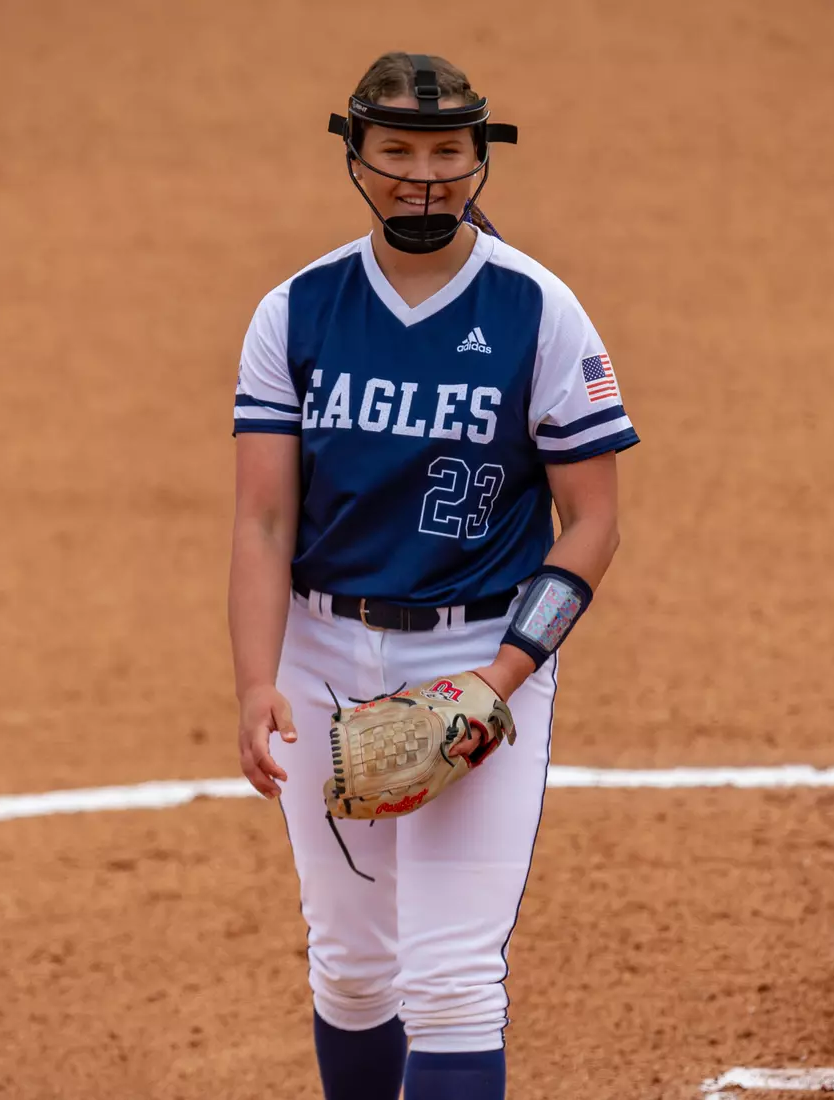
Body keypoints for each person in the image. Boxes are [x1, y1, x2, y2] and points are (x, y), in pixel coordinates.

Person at [228, 50, 637, 1100]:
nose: (423, 177)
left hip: (485, 650)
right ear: (355, 154)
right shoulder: (297, 311)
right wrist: (255, 678)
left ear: (480, 155)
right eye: (398, 152)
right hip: (322, 655)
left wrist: (495, 683)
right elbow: (264, 518)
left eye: (447, 151)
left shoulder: (540, 310)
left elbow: (592, 524)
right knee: (353, 969)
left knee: (452, 981)